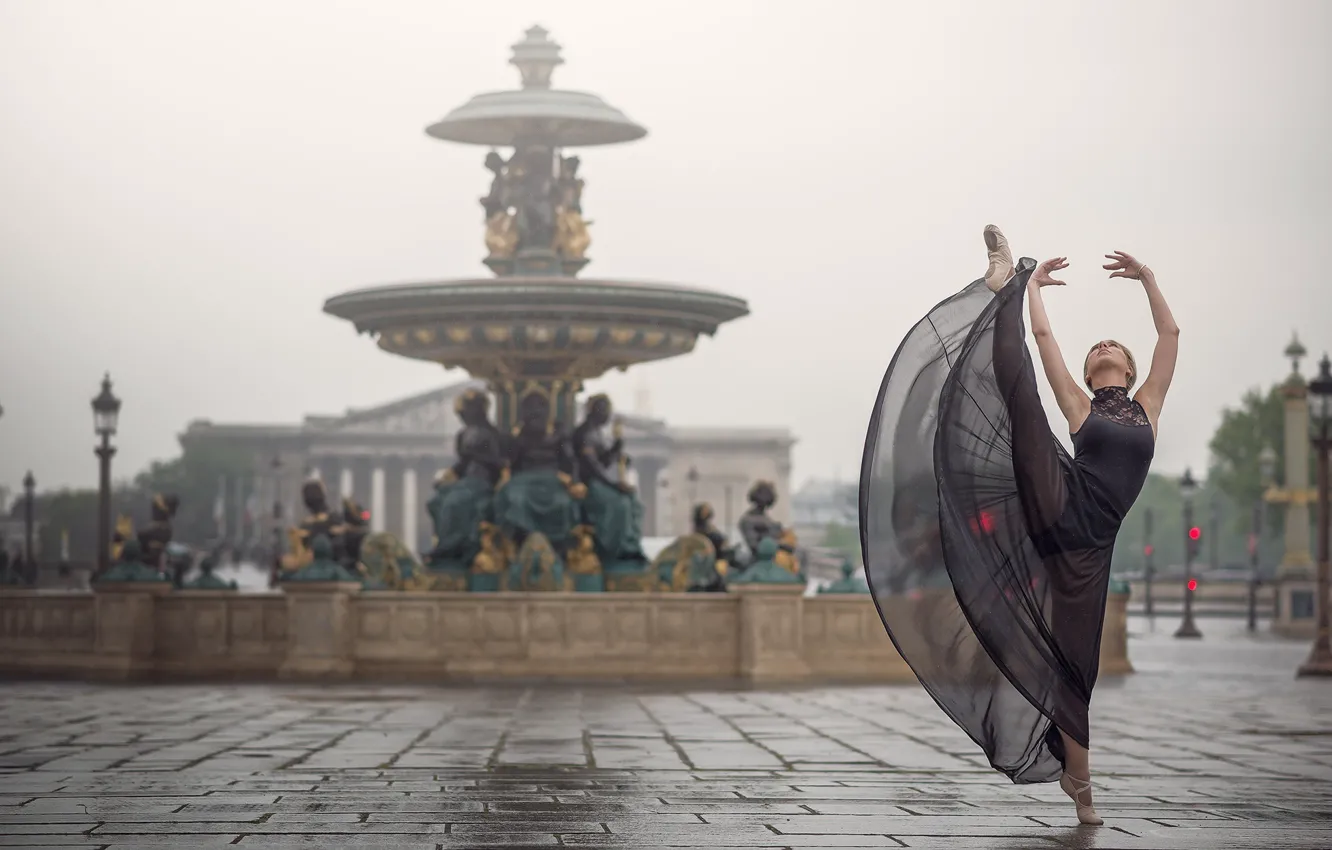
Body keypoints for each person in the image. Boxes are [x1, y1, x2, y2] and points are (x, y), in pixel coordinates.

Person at [859, 226, 1178, 826]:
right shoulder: (1080, 409)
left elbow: (1170, 334)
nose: (1105, 345)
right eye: (1097, 347)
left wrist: (1149, 280)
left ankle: (1079, 781)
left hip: (1089, 546)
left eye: (1114, 345)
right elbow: (1043, 336)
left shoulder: (1149, 408)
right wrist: (1028, 287)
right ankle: (1001, 281)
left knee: (1076, 662)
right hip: (1061, 495)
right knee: (1024, 399)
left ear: (1131, 370)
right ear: (1088, 371)